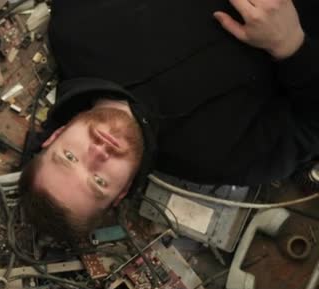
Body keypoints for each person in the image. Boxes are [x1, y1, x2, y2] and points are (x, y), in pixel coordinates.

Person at [18, 0, 319, 241]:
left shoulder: (74, 27)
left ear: (53, 137)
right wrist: (290, 44)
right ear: (122, 192)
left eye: (70, 157)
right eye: (99, 181)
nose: (97, 153)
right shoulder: (221, 159)